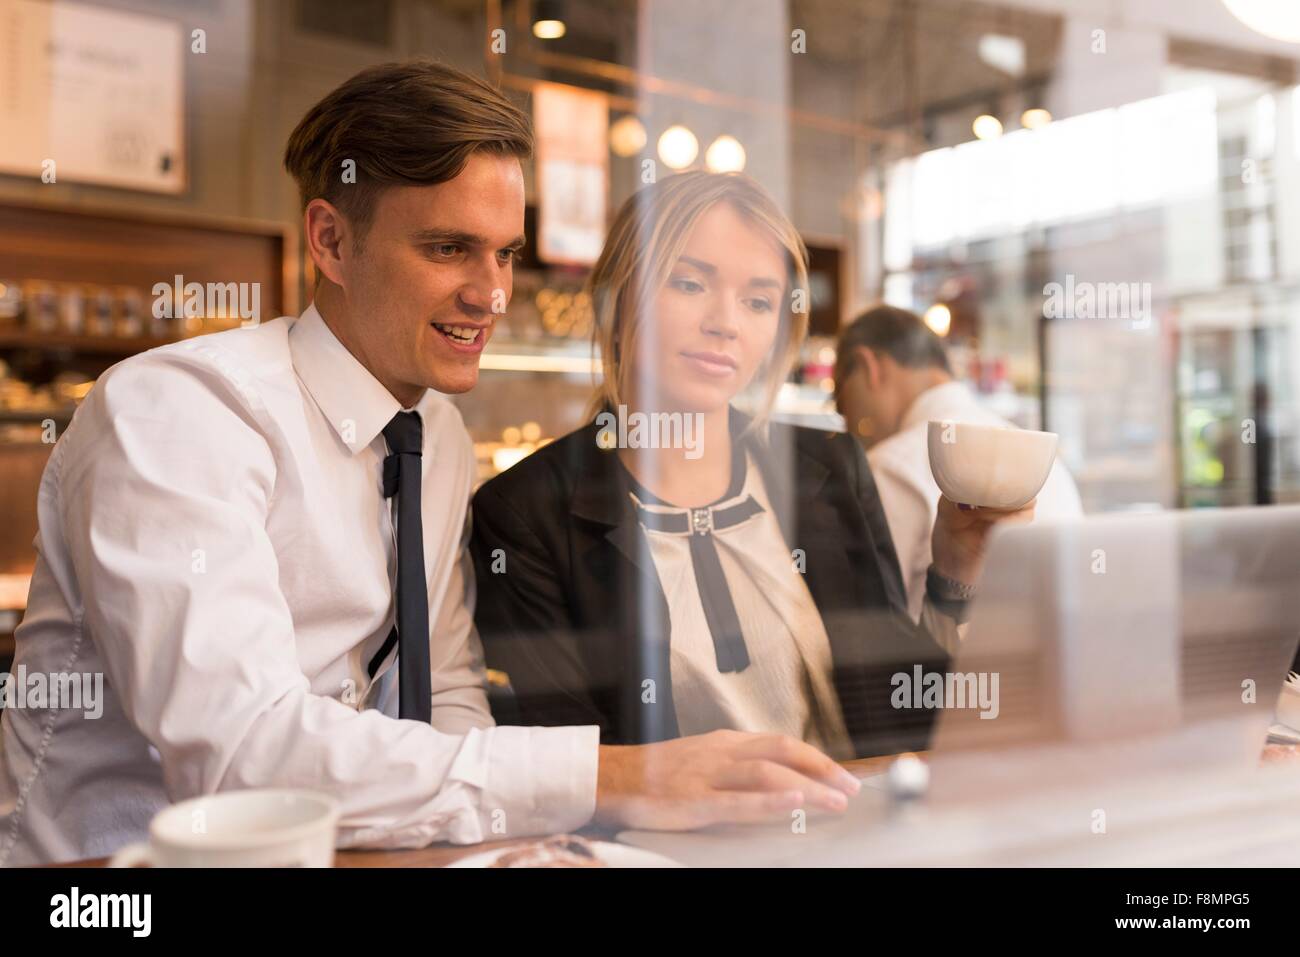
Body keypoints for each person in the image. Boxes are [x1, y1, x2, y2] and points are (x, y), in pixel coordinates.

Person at [0, 61, 860, 867]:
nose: (491, 292)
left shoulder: (435, 436)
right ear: (331, 243)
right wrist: (619, 776)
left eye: (506, 254)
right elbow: (239, 755)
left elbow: (448, 697)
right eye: (449, 248)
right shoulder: (183, 412)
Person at [471, 172, 1032, 762]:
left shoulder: (828, 468)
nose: (726, 322)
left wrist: (957, 574)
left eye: (759, 301)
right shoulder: (525, 514)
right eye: (689, 284)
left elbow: (908, 723)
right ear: (616, 296)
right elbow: (573, 775)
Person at [834, 304, 1083, 622]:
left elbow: (873, 634)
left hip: (939, 671)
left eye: (842, 400)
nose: (847, 421)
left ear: (870, 367)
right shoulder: (1050, 464)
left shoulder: (888, 467)